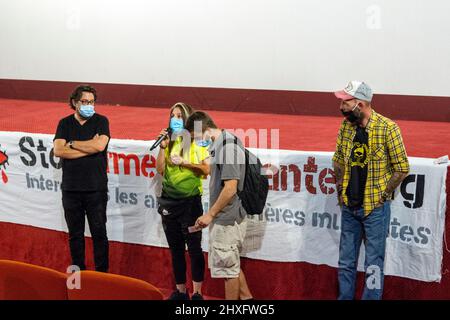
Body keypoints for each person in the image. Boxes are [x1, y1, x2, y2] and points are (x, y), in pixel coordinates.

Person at [332, 81, 410, 300]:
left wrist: (382, 197)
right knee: (345, 262)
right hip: (349, 206)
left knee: (373, 264)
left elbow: (401, 168)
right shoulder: (346, 127)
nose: (341, 106)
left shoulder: (388, 128)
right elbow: (338, 160)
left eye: (346, 102)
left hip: (375, 209)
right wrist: (341, 192)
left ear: (361, 103)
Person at [186, 111, 253, 300]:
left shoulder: (227, 148)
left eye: (195, 137)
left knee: (228, 272)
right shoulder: (222, 144)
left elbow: (230, 188)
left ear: (204, 130)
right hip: (226, 216)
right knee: (231, 265)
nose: (195, 142)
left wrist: (210, 214)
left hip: (227, 218)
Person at [155, 102, 210, 300]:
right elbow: (160, 169)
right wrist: (163, 147)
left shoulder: (198, 140)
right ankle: (180, 291)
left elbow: (206, 169)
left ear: (187, 119)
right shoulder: (168, 140)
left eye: (179, 116)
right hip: (170, 203)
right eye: (173, 115)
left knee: (194, 249)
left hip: (190, 204)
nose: (175, 119)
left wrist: (185, 162)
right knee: (176, 249)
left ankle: (197, 293)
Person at [53, 84, 110, 272]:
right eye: (85, 102)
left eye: (92, 102)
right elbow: (59, 150)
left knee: (99, 234)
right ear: (74, 102)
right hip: (71, 191)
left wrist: (73, 144)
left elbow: (100, 146)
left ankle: (102, 276)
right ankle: (79, 276)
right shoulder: (64, 123)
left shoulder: (101, 121)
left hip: (96, 189)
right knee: (75, 236)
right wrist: (89, 146)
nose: (89, 105)